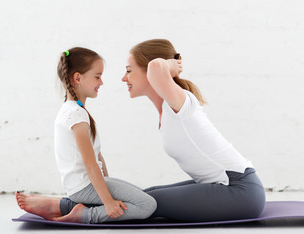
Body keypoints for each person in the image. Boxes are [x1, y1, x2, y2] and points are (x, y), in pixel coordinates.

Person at [16, 40, 265, 222]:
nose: (124, 79)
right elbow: (156, 70)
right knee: (145, 195)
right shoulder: (168, 109)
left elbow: (157, 67)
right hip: (223, 186)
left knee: (148, 204)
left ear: (149, 71)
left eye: (128, 70)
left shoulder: (182, 102)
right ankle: (63, 204)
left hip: (239, 191)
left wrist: (171, 64)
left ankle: (65, 208)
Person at [15, 47, 156, 224]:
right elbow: (90, 165)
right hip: (84, 186)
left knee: (142, 196)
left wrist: (107, 185)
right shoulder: (76, 115)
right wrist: (108, 202)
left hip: (83, 185)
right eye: (97, 76)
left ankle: (66, 206)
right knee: (147, 205)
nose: (102, 82)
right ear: (78, 78)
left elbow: (97, 157)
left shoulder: (73, 110)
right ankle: (83, 215)